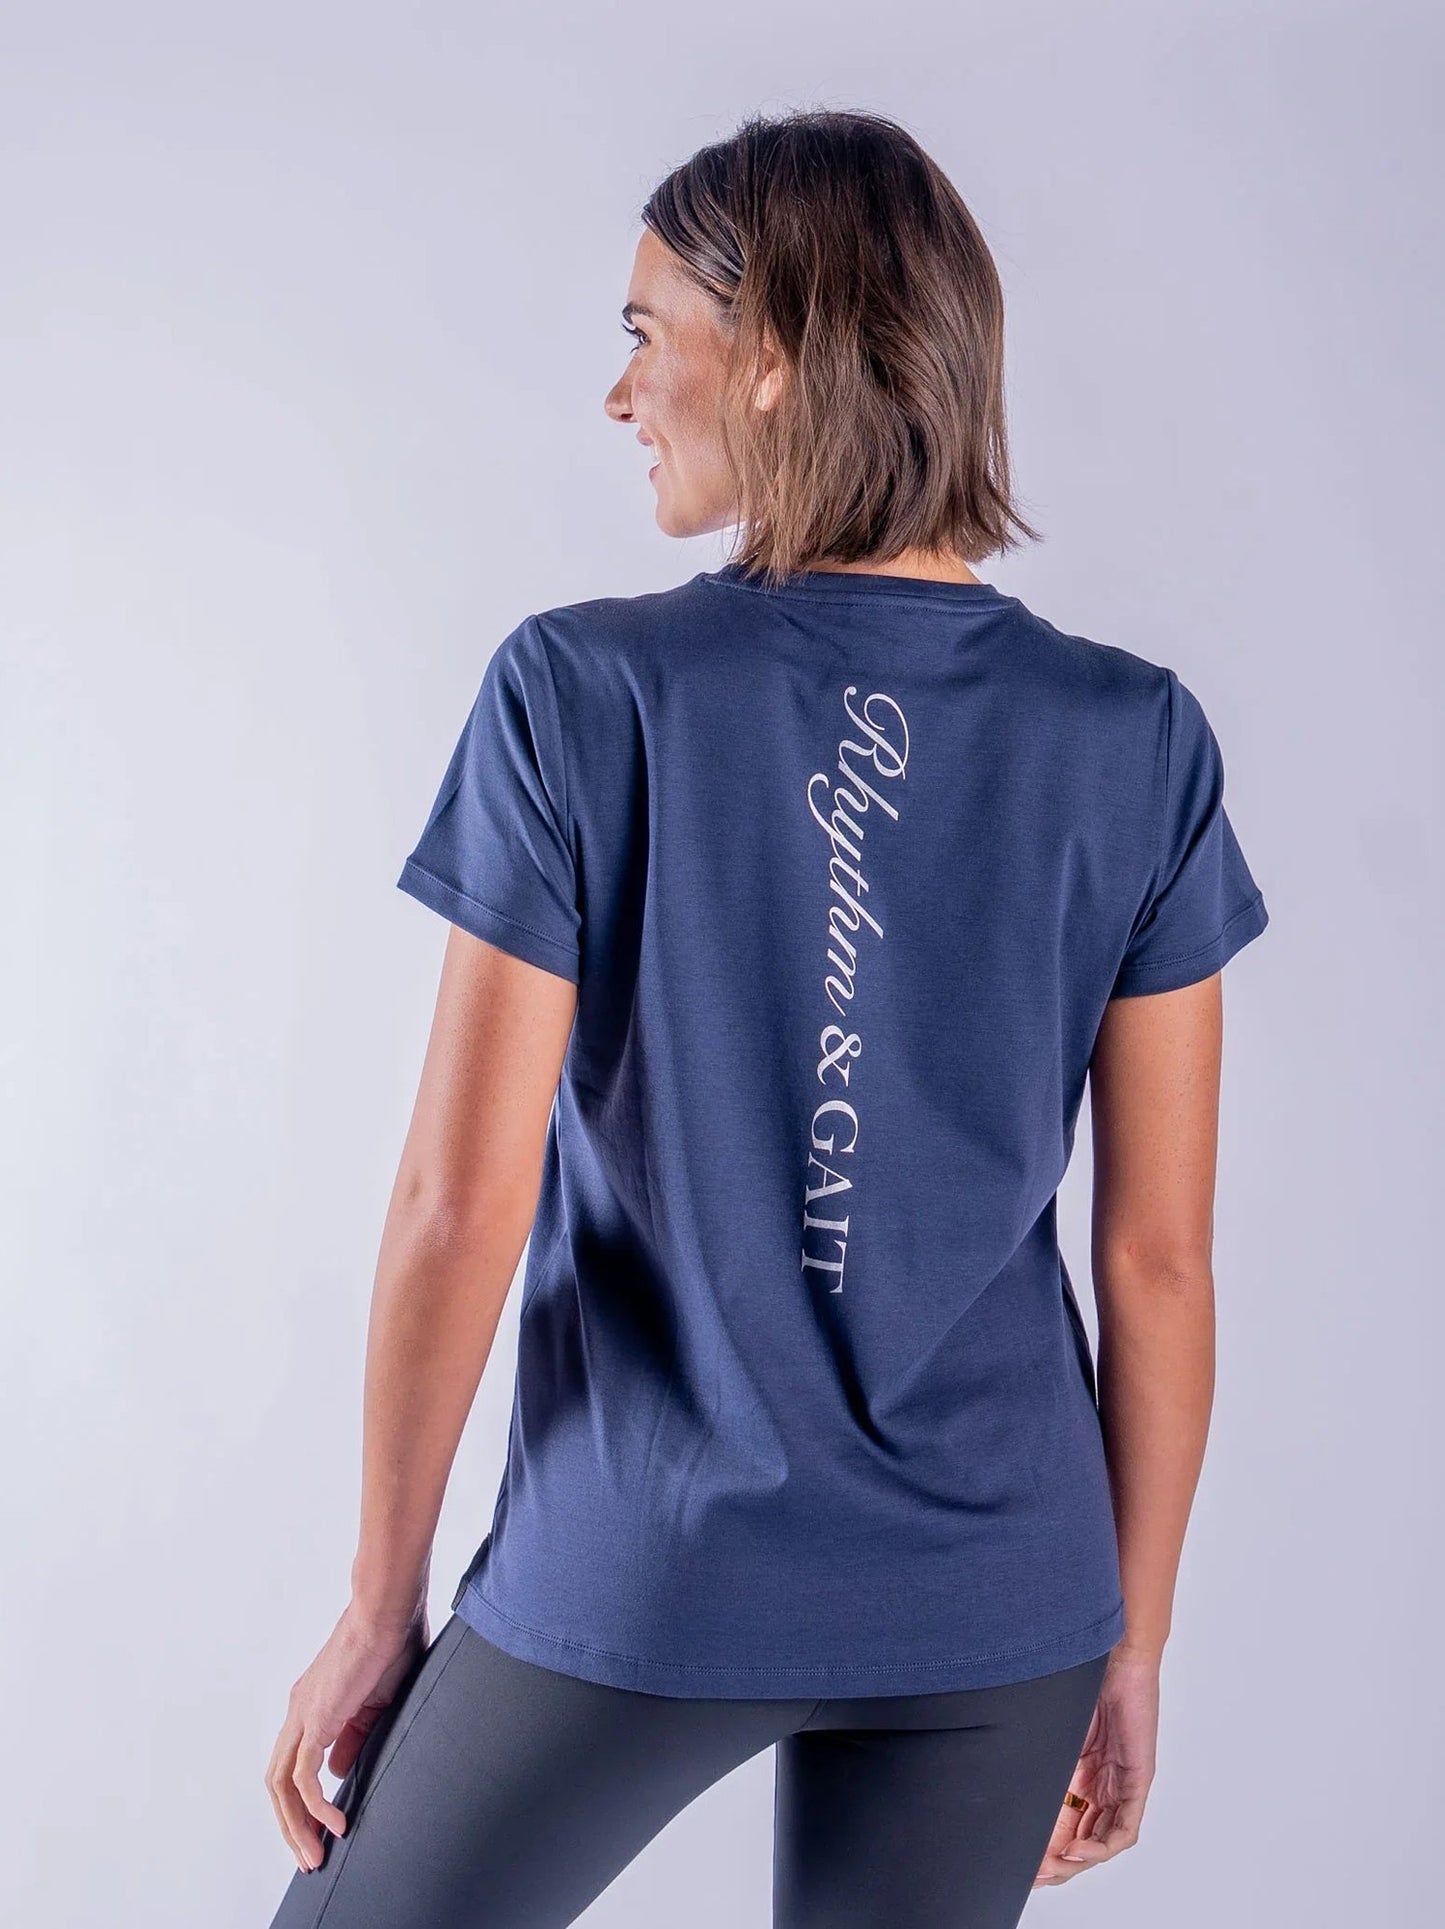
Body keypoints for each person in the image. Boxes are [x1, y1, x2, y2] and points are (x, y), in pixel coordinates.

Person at [264, 107, 1269, 1928]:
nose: (619, 390)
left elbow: (456, 1204)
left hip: (649, 1563)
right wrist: (1131, 1637)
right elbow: (1160, 1262)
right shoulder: (1135, 740)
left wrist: (379, 1602)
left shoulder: (582, 693)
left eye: (645, 331)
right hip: (1001, 1599)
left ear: (779, 356)